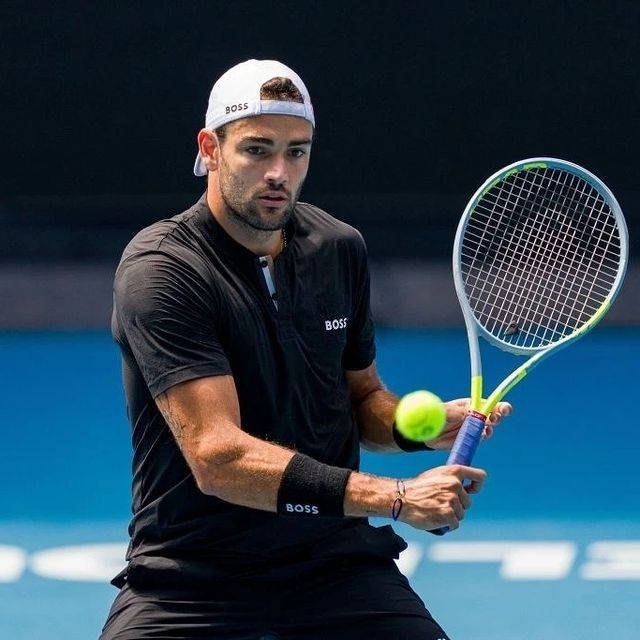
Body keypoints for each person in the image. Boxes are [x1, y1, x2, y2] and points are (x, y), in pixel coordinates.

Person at [101, 59, 511, 640]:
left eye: (297, 152)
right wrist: (392, 496)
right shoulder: (164, 270)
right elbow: (218, 458)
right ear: (210, 149)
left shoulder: (338, 249)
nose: (279, 172)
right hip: (193, 575)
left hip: (333, 565)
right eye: (257, 149)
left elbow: (361, 398)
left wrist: (417, 428)